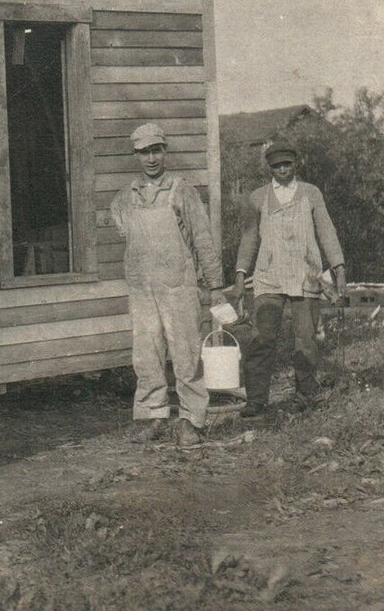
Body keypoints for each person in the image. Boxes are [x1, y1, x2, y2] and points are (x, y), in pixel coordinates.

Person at [110, 123, 229, 448]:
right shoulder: (125, 197)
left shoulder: (182, 191)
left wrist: (216, 285)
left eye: (156, 150)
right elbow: (120, 228)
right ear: (136, 155)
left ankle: (192, 421)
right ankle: (154, 417)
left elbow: (203, 240)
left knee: (186, 355)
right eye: (144, 152)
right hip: (142, 289)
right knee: (146, 355)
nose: (151, 158)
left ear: (165, 151)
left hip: (179, 287)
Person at [233, 138, 346, 417]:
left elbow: (326, 231)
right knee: (262, 338)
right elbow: (248, 238)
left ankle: (305, 395)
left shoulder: (311, 193)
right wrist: (240, 274)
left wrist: (338, 268)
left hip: (306, 275)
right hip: (268, 276)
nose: (282, 170)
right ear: (269, 168)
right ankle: (257, 400)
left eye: (287, 164)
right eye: (276, 166)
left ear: (296, 164)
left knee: (305, 339)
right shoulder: (257, 198)